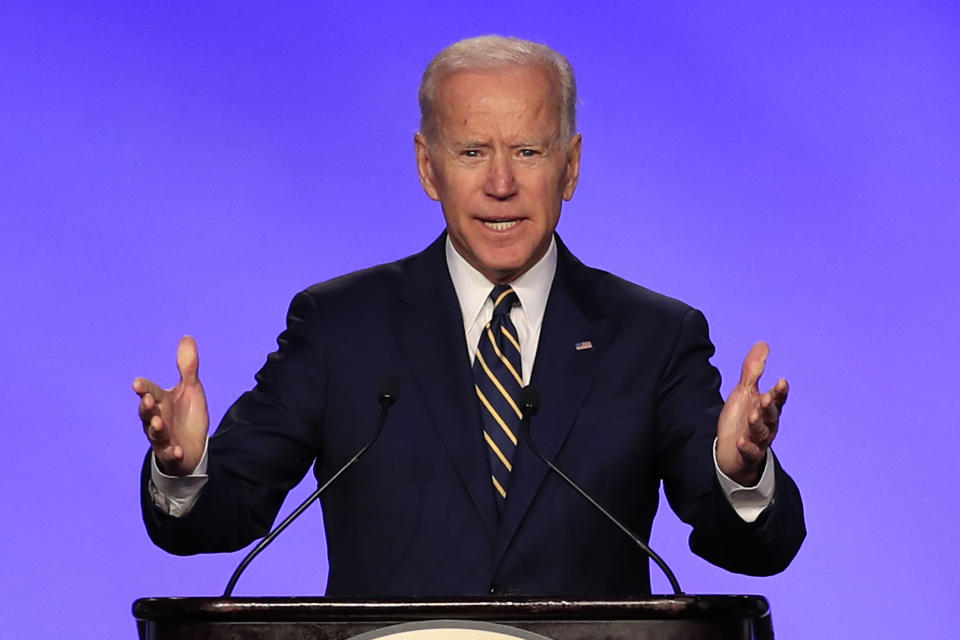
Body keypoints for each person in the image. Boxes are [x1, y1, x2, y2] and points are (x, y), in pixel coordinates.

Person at [135, 35, 804, 597]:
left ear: (570, 168)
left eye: (530, 151)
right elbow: (219, 514)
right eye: (473, 152)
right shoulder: (339, 327)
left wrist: (740, 474)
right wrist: (183, 470)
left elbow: (750, 545)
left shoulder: (656, 336)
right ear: (429, 168)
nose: (502, 183)